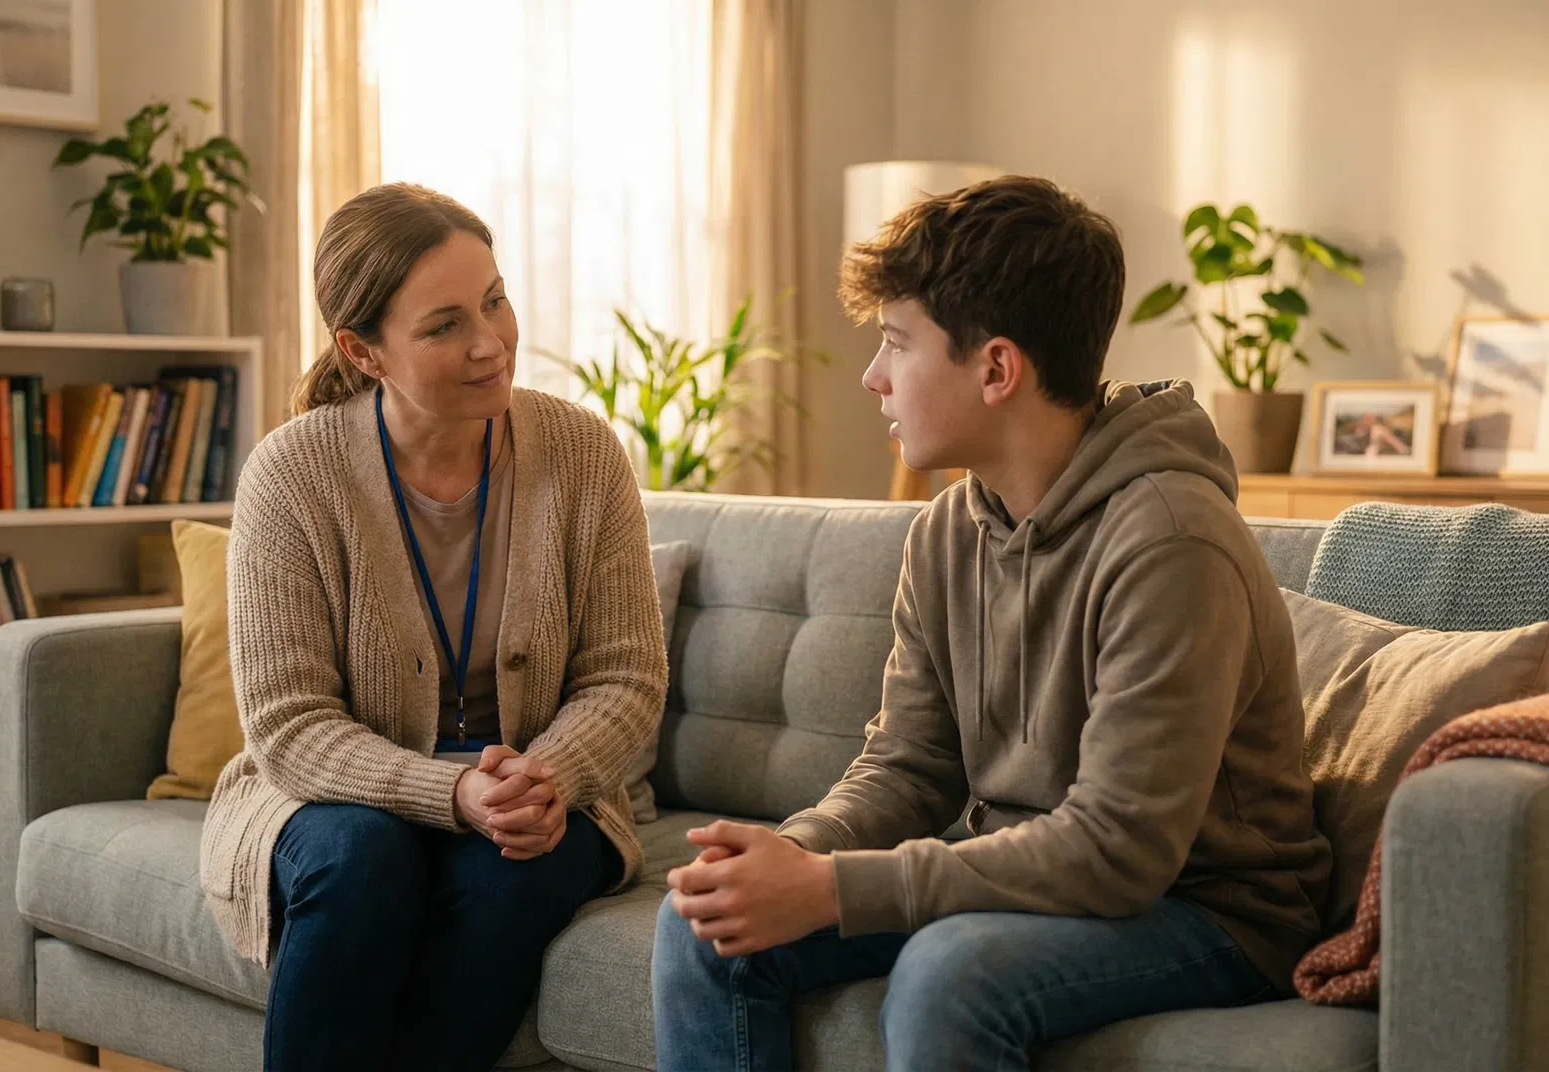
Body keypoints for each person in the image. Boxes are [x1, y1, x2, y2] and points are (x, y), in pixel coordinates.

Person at [650, 176, 1332, 1071]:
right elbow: (909, 767)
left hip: (1209, 910)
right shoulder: (946, 532)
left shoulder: (1172, 540)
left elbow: (1121, 850)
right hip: (1023, 875)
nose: (874, 377)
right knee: (702, 924)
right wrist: (788, 856)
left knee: (951, 971)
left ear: (997, 369)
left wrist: (831, 889)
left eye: (897, 343)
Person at [199, 183, 668, 1071]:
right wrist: (447, 794)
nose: (490, 342)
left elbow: (626, 675)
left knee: (513, 872)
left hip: (531, 790)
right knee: (362, 860)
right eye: (444, 325)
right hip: (332, 795)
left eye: (494, 300)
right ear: (362, 351)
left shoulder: (580, 452)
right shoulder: (291, 475)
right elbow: (288, 726)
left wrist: (546, 777)